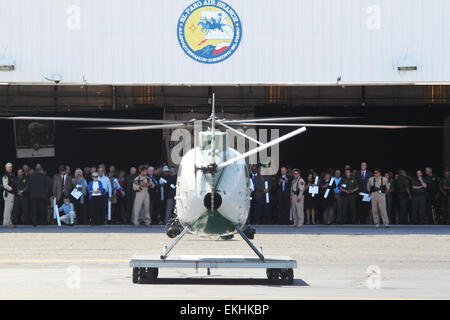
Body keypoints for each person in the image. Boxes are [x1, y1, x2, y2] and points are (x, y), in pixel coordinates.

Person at [2, 163, 16, 228]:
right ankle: (5, 222)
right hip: (8, 194)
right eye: (9, 167)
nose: (10, 168)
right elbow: (5, 185)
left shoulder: (11, 175)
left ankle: (9, 222)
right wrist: (11, 189)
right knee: (7, 209)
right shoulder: (5, 176)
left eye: (11, 167)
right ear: (6, 168)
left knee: (10, 209)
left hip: (11, 194)